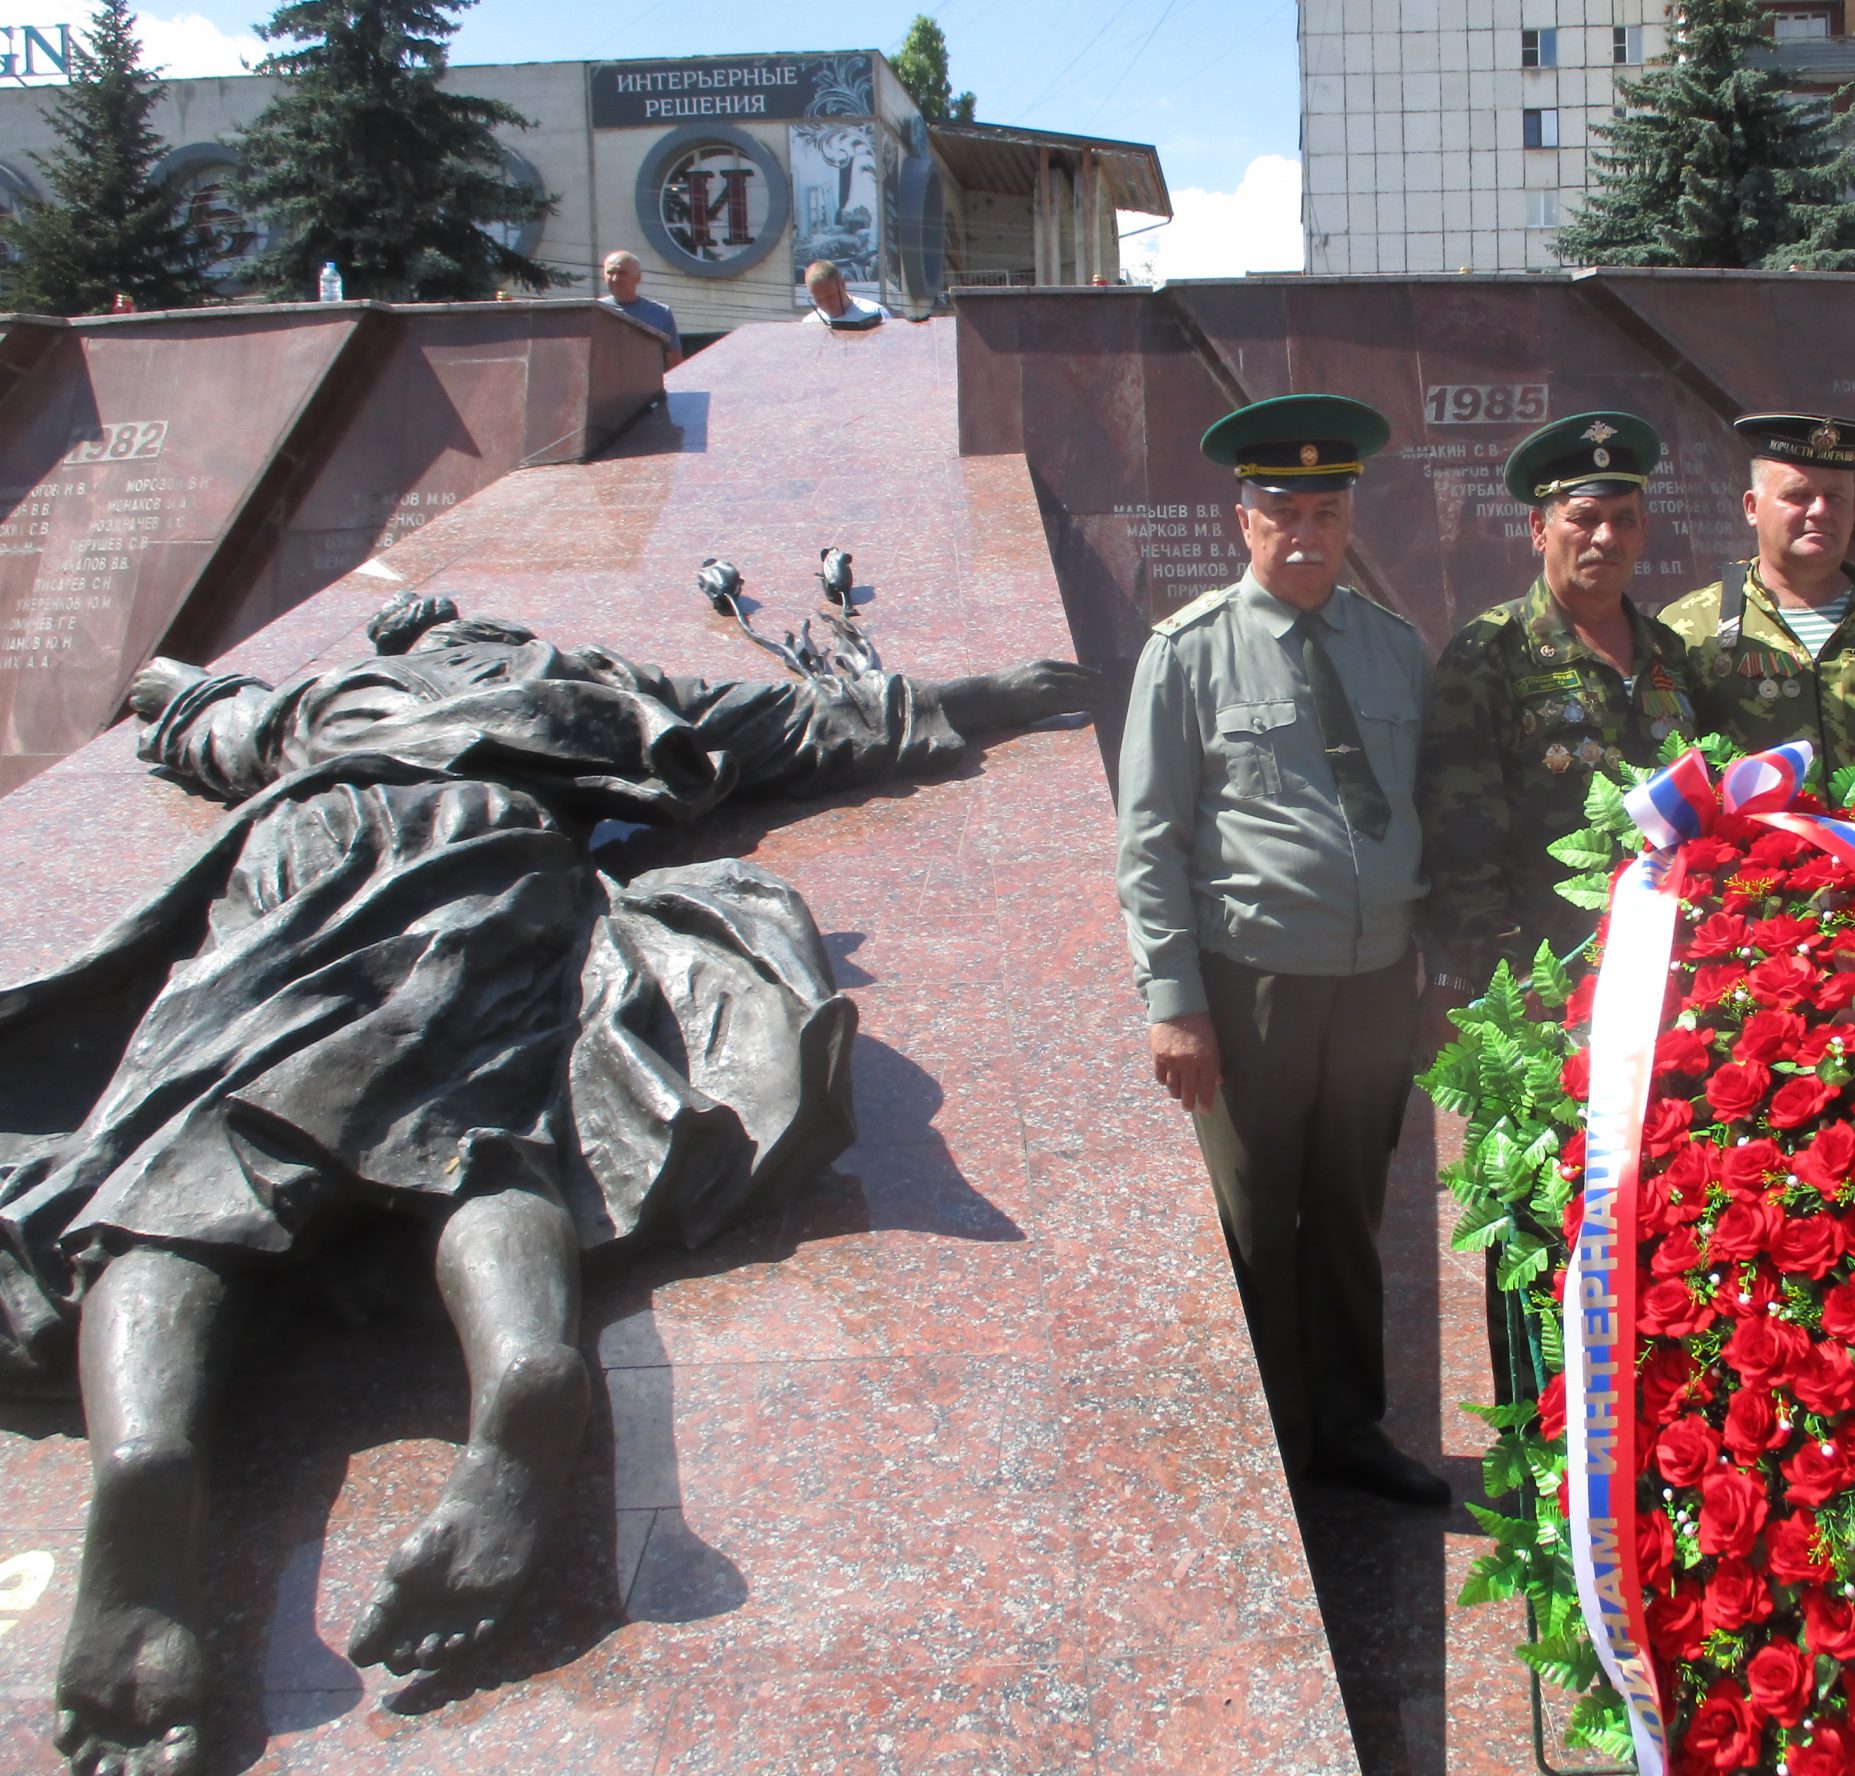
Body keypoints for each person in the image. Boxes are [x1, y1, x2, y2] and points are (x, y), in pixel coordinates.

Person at [0, 590, 1092, 1772]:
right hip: (484, 852)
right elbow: (821, 722)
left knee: (188, 1152)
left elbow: (206, 716)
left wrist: (169, 685)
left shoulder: (333, 706)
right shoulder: (598, 699)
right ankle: (528, 1369)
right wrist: (1008, 695)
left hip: (307, 857)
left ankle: (149, 1457)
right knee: (478, 1130)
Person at [1114, 392, 1447, 1506]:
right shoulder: (1189, 653)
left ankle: (1349, 1430)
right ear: (1241, 518)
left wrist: (1428, 972)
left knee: (1351, 1210)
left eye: (1327, 509)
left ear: (1352, 518)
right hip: (1250, 985)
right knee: (1261, 1220)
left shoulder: (1396, 649)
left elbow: (1424, 813)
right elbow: (1149, 841)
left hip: (1370, 986)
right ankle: (1276, 1455)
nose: (1305, 531)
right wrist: (1174, 1000)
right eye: (1282, 509)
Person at [1417, 411, 1704, 1401]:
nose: (1604, 539)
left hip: (1658, 1002)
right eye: (1583, 518)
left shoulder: (1669, 659)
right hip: (1541, 1005)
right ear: (1539, 528)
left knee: (1642, 1227)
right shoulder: (1491, 657)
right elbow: (1459, 834)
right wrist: (1505, 994)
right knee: (1539, 1227)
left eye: (1623, 518)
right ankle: (1544, 1454)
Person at [1660, 413, 1855, 787]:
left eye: (1835, 497)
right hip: (1745, 845)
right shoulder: (1687, 628)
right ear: (1752, 507)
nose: (1820, 510)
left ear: (1854, 509)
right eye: (1798, 496)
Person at [599, 249, 683, 360]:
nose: (615, 279)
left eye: (622, 273)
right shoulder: (595, 311)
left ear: (638, 278)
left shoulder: (660, 313)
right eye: (610, 272)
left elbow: (674, 361)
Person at [801, 257, 884, 329]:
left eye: (831, 296)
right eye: (819, 300)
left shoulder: (874, 312)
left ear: (842, 285)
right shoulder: (809, 324)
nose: (827, 304)